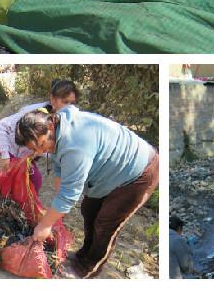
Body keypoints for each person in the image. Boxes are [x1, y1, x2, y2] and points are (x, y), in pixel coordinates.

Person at [16, 104, 159, 278]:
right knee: (88, 210)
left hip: (138, 172)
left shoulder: (75, 145)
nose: (39, 151)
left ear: (51, 126)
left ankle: (88, 269)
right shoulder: (57, 127)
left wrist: (45, 224)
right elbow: (59, 169)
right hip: (110, 171)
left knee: (105, 223)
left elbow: (69, 194)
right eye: (33, 149)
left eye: (40, 144)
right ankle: (82, 256)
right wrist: (57, 212)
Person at [0, 79, 78, 193]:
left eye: (72, 103)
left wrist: (37, 153)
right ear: (52, 99)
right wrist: (5, 155)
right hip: (12, 152)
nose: (69, 107)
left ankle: (30, 204)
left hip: (27, 156)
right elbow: (0, 127)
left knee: (35, 181)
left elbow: (53, 150)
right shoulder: (33, 115)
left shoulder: (63, 121)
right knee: (13, 182)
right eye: (65, 102)